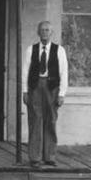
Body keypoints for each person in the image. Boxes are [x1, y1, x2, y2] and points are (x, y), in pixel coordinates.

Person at [22, 20, 69, 167]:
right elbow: (25, 72)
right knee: (35, 120)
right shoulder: (31, 49)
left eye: (47, 30)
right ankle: (35, 157)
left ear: (52, 33)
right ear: (38, 32)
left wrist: (61, 93)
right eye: (42, 30)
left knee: (51, 120)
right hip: (35, 86)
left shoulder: (59, 50)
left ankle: (50, 156)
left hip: (52, 87)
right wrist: (25, 91)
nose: (45, 32)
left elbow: (64, 73)